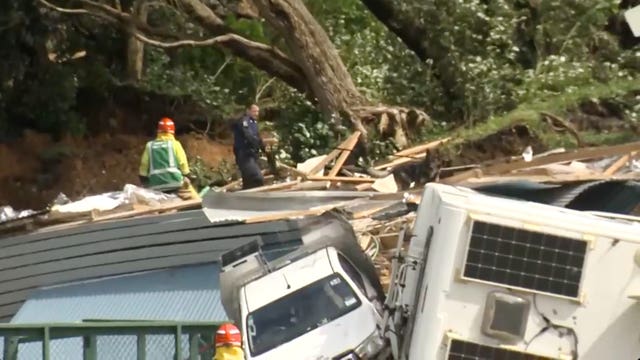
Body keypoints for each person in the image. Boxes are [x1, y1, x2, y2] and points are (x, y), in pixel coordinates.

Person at [139, 117, 193, 193]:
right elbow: (183, 162)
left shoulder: (149, 146)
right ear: (172, 132)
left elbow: (144, 164)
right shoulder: (175, 144)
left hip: (155, 185)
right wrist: (187, 175)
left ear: (158, 131)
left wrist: (143, 179)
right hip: (175, 183)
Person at [231, 104, 275, 190]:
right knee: (257, 178)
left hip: (252, 154)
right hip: (244, 154)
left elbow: (257, 137)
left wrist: (265, 149)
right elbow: (248, 136)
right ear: (248, 111)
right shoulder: (244, 121)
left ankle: (247, 198)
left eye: (257, 111)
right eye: (254, 111)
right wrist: (260, 142)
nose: (256, 114)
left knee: (249, 181)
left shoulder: (254, 123)